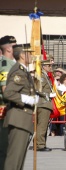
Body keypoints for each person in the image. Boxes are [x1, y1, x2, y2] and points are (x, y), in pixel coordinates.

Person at [3, 44, 38, 170]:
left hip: (22, 119)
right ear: (22, 55)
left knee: (19, 160)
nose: (33, 56)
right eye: (30, 53)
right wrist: (26, 99)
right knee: (14, 160)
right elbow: (8, 93)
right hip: (19, 119)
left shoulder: (22, 70)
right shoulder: (19, 71)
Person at [0, 35, 17, 170]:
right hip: (5, 110)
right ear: (9, 48)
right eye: (15, 46)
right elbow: (6, 90)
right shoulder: (6, 65)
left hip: (11, 110)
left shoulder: (13, 64)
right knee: (5, 147)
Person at [36, 59, 55, 151]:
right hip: (43, 103)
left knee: (43, 125)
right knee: (42, 125)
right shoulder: (42, 76)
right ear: (44, 66)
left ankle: (41, 143)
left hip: (45, 103)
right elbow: (38, 89)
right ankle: (40, 145)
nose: (50, 67)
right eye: (49, 66)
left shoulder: (46, 76)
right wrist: (48, 95)